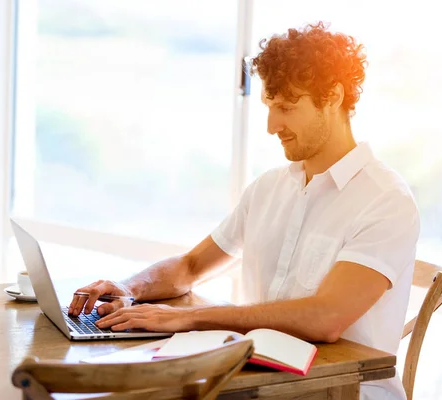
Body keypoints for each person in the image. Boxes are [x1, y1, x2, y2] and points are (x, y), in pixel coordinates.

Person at [69, 21, 419, 400]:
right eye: (269, 106)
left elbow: (326, 317)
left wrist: (187, 319)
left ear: (332, 97)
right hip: (258, 379)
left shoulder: (386, 200)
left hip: (343, 389)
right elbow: (190, 268)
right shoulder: (269, 188)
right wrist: (130, 288)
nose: (272, 126)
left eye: (286, 107)